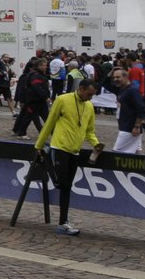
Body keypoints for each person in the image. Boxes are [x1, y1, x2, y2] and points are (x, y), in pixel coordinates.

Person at [35, 77, 103, 236]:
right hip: (59, 147)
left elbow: (89, 131)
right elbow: (49, 123)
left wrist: (96, 144)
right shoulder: (63, 100)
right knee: (62, 184)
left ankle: (63, 222)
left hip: (75, 151)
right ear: (82, 88)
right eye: (89, 94)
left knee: (66, 188)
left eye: (93, 95)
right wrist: (39, 145)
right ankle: (46, 159)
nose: (90, 98)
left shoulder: (89, 106)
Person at [110, 67, 145, 154]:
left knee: (115, 154)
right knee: (136, 153)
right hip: (126, 126)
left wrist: (137, 126)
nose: (115, 79)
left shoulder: (132, 91)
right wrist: (112, 71)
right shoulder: (122, 89)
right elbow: (105, 84)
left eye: (118, 77)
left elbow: (141, 109)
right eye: (114, 77)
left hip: (130, 128)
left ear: (125, 77)